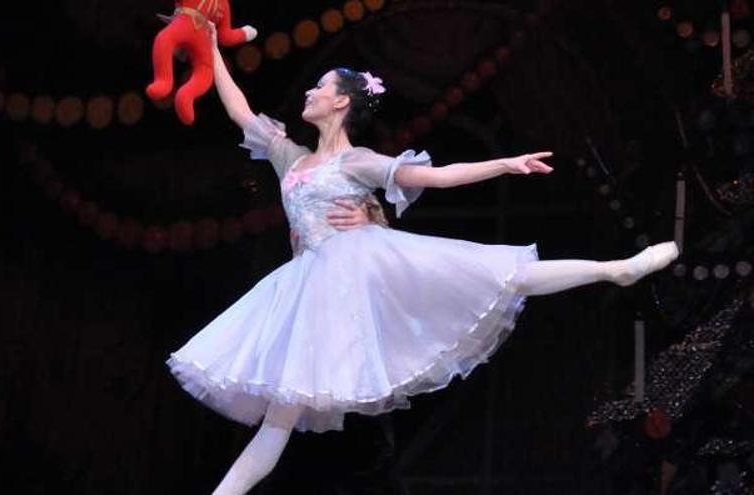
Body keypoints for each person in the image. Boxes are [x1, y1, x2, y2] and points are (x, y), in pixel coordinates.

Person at [166, 26, 680, 495]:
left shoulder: (358, 162)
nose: (309, 92)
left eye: (320, 87)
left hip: (365, 264)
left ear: (342, 101)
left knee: (502, 275)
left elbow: (437, 177)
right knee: (278, 419)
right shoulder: (291, 159)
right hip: (310, 287)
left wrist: (506, 162)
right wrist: (211, 45)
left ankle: (616, 268)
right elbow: (238, 109)